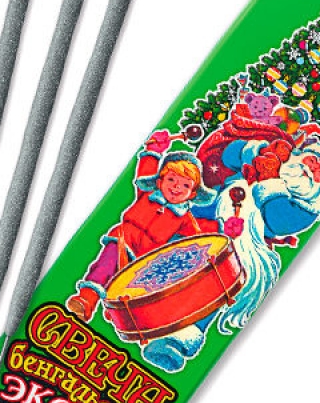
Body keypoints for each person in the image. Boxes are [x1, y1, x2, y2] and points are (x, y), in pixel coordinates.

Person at [66, 129, 244, 322]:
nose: (176, 187)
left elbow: (200, 236)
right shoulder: (147, 195)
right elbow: (147, 167)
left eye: (185, 185)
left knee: (131, 291)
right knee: (105, 266)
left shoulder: (184, 218)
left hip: (144, 261)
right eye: (171, 179)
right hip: (122, 240)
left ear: (192, 194)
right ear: (159, 182)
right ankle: (86, 299)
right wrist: (154, 149)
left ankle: (117, 313)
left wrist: (227, 228)